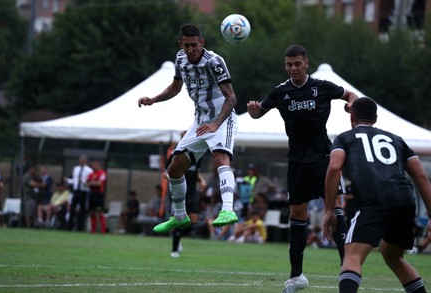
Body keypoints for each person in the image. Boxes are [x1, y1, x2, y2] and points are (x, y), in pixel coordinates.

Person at [247, 44, 358, 293]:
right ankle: (297, 277)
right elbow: (258, 113)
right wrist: (254, 112)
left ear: (306, 63)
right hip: (296, 160)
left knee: (336, 209)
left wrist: (351, 105)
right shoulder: (280, 92)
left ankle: (348, 271)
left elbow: (350, 95)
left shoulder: (322, 86)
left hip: (323, 157)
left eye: (297, 63)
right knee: (297, 215)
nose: (293, 68)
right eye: (289, 64)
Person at [323, 97, 431, 293]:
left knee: (352, 257)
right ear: (376, 118)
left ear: (352, 117)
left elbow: (334, 168)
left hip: (373, 199)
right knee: (393, 256)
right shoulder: (396, 139)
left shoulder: (344, 138)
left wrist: (329, 209)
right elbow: (420, 175)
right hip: (404, 201)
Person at [138, 23, 239, 234]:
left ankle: (228, 210)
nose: (191, 49)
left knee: (220, 158)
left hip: (222, 119)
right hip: (200, 122)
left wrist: (216, 123)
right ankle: (180, 217)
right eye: (187, 45)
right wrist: (154, 99)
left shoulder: (215, 62)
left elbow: (231, 97)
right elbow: (175, 88)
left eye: (194, 45)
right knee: (174, 168)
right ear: (180, 44)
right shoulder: (180, 59)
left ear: (202, 43)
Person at [167, 131, 207, 257]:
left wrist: (201, 180)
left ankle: (178, 239)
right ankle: (174, 249)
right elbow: (167, 171)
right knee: (179, 220)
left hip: (192, 192)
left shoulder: (196, 154)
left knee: (193, 223)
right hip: (179, 193)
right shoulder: (176, 154)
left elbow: (195, 173)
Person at [66, 154, 93, 231]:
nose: (81, 162)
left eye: (82, 161)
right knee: (72, 208)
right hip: (76, 190)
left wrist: (83, 182)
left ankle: (80, 227)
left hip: (84, 191)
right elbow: (74, 180)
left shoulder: (89, 170)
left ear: (85, 161)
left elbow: (89, 182)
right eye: (80, 161)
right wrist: (68, 180)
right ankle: (69, 226)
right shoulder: (76, 169)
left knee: (82, 210)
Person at [87, 160, 107, 234]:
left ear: (99, 165)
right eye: (93, 165)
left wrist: (93, 183)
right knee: (92, 212)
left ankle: (103, 229)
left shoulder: (102, 173)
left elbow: (99, 183)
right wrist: (93, 183)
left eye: (95, 165)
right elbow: (87, 184)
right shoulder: (91, 174)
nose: (94, 166)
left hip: (99, 195)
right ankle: (93, 229)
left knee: (100, 211)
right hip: (92, 194)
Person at [23, 163, 43, 228]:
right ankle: (28, 226)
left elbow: (40, 179)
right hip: (29, 197)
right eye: (33, 169)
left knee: (34, 213)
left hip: (35, 197)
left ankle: (33, 225)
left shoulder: (34, 176)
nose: (34, 170)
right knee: (29, 213)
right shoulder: (27, 176)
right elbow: (33, 184)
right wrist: (41, 185)